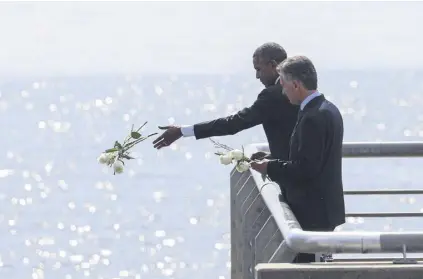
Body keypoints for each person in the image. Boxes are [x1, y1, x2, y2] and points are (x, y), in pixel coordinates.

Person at [251, 55, 346, 263]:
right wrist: (274, 161)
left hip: (312, 213)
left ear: (295, 85)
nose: (283, 92)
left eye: (284, 86)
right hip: (325, 209)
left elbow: (305, 169)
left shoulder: (312, 118)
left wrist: (269, 167)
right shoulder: (329, 109)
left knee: (309, 269)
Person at [152, 42, 299, 162]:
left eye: (259, 69)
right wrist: (274, 156)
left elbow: (234, 123)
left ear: (273, 65)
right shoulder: (300, 85)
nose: (257, 76)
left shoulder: (272, 94)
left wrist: (182, 131)